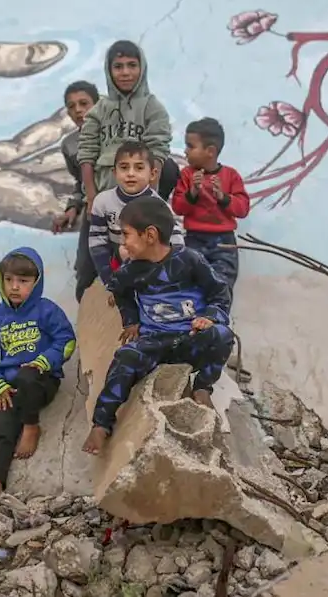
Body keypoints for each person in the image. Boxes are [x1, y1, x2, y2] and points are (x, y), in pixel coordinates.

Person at [82, 197, 234, 455]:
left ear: (150, 235)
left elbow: (220, 292)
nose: (123, 242)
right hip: (154, 342)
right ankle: (102, 423)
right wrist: (131, 321)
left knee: (222, 335)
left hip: (190, 337)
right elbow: (120, 292)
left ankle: (202, 388)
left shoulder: (189, 260)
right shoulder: (132, 271)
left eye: (126, 234)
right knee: (125, 356)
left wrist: (209, 317)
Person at [0, 247, 77, 495]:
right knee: (1, 428)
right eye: (9, 280)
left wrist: (43, 361)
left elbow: (67, 340)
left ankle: (31, 426)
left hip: (41, 380)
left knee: (26, 375)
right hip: (11, 387)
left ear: (36, 283)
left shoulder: (47, 310)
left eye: (23, 281)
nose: (14, 287)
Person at [77, 40, 177, 211]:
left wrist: (149, 199)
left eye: (132, 65)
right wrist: (92, 199)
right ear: (109, 71)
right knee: (94, 238)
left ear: (142, 68)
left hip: (139, 200)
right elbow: (86, 155)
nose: (125, 73)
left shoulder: (153, 108)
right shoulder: (98, 111)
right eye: (118, 67)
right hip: (102, 199)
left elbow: (157, 153)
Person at [87, 141, 184, 294]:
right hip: (117, 264)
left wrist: (169, 275)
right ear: (115, 172)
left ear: (152, 174)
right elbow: (97, 243)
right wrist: (109, 279)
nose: (131, 173)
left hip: (151, 268)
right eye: (124, 168)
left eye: (139, 168)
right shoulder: (102, 202)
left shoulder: (158, 206)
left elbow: (176, 242)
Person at [171, 117, 251, 295]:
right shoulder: (187, 175)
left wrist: (223, 197)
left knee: (222, 286)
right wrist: (192, 192)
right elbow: (178, 207)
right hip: (194, 239)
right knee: (189, 285)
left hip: (224, 242)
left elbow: (243, 208)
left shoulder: (231, 176)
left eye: (190, 146)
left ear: (210, 151)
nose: (185, 152)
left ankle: (217, 320)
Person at [50, 81, 101, 302]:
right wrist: (73, 207)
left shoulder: (114, 135)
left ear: (98, 105)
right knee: (85, 272)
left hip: (123, 208)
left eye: (84, 103)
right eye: (71, 106)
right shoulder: (70, 145)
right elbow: (80, 182)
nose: (78, 110)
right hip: (94, 210)